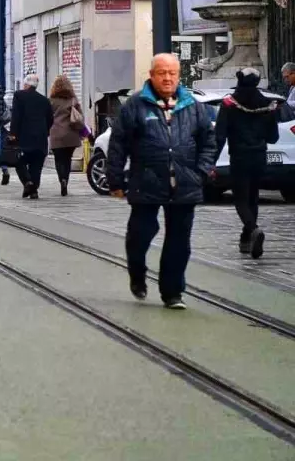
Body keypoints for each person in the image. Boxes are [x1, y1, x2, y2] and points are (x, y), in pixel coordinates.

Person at [108, 53, 215, 310]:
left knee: (179, 241)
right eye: (162, 73)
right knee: (140, 235)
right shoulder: (135, 106)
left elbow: (208, 142)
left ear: (179, 76)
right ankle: (137, 270)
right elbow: (118, 144)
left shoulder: (193, 106)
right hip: (145, 182)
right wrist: (115, 179)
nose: (167, 78)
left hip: (185, 184)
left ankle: (172, 292)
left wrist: (199, 171)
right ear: (152, 75)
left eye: (172, 73)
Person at [215, 68, 279, 259]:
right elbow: (273, 138)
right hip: (259, 157)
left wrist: (211, 162)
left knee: (241, 199)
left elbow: (219, 136)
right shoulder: (266, 105)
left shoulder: (229, 104)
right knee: (253, 197)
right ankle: (246, 238)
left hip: (239, 157)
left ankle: (253, 229)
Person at [9, 74, 53, 199]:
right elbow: (50, 118)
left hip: (24, 135)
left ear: (26, 84)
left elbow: (16, 116)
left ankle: (27, 182)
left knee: (19, 161)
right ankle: (34, 190)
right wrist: (46, 131)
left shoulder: (19, 95)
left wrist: (13, 133)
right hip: (40, 137)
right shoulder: (44, 100)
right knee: (36, 165)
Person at [48, 75, 85, 197]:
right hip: (71, 134)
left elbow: (47, 116)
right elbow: (80, 115)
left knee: (59, 160)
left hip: (56, 134)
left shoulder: (51, 100)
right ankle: (66, 181)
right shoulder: (73, 99)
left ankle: (61, 180)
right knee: (67, 159)